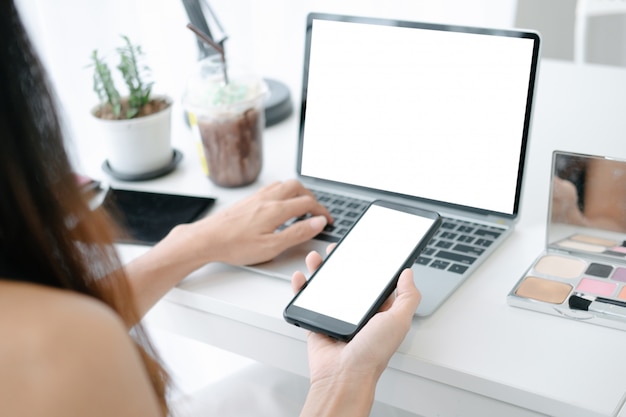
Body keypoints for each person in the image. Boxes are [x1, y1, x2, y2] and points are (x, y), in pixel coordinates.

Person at [0, 2, 422, 416]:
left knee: (275, 383)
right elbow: (72, 340)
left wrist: (193, 242)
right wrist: (345, 381)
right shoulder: (55, 351)